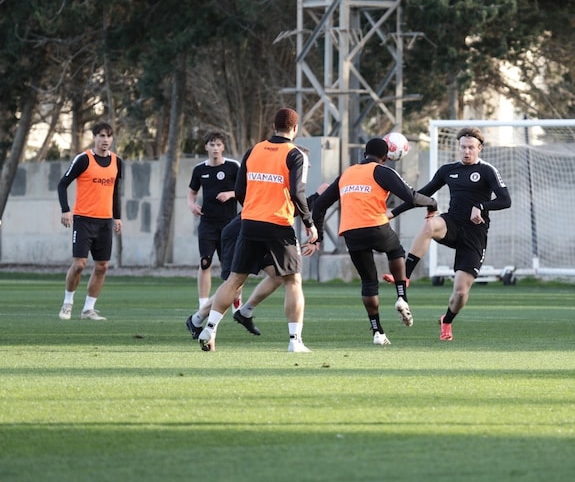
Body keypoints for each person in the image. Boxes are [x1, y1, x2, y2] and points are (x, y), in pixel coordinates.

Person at [197, 107, 317, 352]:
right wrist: (309, 223)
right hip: (279, 224)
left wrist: (254, 207)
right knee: (293, 280)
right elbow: (297, 192)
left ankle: (209, 328)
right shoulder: (296, 155)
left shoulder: (254, 150)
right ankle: (295, 341)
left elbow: (240, 190)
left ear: (274, 126)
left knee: (234, 279)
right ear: (295, 129)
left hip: (249, 221)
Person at [386, 127, 511, 340]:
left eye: (471, 147)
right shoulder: (448, 170)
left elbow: (505, 200)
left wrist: (481, 206)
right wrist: (394, 212)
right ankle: (405, 275)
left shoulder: (487, 170)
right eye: (463, 147)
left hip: (475, 234)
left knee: (461, 292)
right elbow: (422, 194)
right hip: (452, 223)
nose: (466, 151)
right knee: (430, 226)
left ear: (479, 148)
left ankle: (447, 321)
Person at [312, 138, 437, 345]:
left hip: (351, 232)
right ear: (385, 157)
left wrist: (319, 237)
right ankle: (401, 296)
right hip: (376, 227)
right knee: (396, 251)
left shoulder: (346, 174)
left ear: (364, 154)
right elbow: (411, 197)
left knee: (369, 282)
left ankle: (378, 332)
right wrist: (432, 203)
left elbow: (319, 206)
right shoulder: (382, 171)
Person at [185, 184, 328, 339]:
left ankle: (245, 312)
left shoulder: (285, 178)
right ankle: (197, 321)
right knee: (234, 285)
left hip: (262, 235)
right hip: (239, 233)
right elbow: (291, 206)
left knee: (279, 276)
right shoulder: (283, 175)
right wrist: (317, 198)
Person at [56, 121, 124, 321]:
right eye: (101, 135)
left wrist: (117, 217)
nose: (105, 140)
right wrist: (65, 210)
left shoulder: (117, 162)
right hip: (83, 220)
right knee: (79, 264)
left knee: (102, 266)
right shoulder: (83, 159)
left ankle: (88, 309)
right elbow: (62, 185)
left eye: (108, 136)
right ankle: (68, 303)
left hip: (104, 221)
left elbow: (115, 192)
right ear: (94, 137)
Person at [187, 132, 240, 310]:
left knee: (231, 266)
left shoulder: (233, 167)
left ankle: (235, 301)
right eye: (212, 144)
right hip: (207, 223)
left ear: (223, 147)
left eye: (218, 145)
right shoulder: (199, 169)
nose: (215, 148)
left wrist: (230, 194)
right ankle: (203, 304)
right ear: (206, 147)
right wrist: (192, 205)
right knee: (205, 262)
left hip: (229, 224)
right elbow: (192, 194)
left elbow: (245, 190)